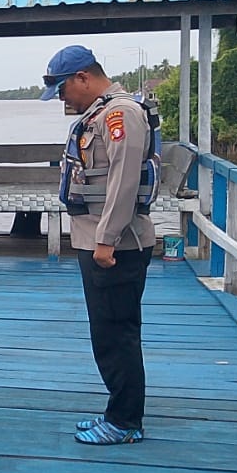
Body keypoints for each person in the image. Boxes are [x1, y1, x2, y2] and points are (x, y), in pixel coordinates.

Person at [40, 44, 156, 446]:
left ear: (83, 78)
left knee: (117, 334)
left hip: (116, 247)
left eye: (63, 89)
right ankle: (117, 411)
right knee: (106, 333)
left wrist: (105, 241)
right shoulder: (100, 114)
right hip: (98, 242)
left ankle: (125, 422)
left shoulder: (121, 115)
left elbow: (124, 183)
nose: (62, 99)